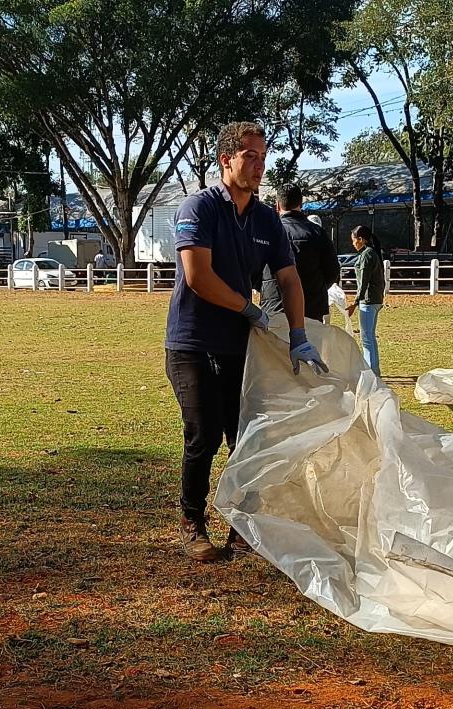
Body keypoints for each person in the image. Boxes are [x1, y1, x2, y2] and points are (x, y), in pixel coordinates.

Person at [164, 120, 328, 564]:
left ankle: (242, 528)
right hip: (192, 342)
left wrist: (298, 334)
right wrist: (248, 309)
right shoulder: (198, 208)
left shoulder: (266, 219)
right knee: (203, 435)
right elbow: (198, 277)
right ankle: (192, 522)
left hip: (240, 346)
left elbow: (289, 279)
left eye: (263, 157)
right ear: (226, 160)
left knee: (246, 438)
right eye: (250, 157)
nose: (259, 166)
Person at [258, 182, 338, 324]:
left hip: (275, 310)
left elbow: (254, 271)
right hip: (311, 310)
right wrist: (317, 289)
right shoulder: (317, 233)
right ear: (301, 204)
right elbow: (332, 271)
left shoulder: (266, 233)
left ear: (277, 206)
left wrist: (267, 289)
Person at [345, 225, 388, 376]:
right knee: (369, 336)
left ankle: (372, 372)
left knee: (367, 338)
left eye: (354, 240)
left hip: (368, 301)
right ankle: (373, 370)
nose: (353, 244)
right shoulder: (372, 253)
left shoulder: (367, 255)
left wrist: (355, 302)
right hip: (374, 300)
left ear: (361, 239)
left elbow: (363, 281)